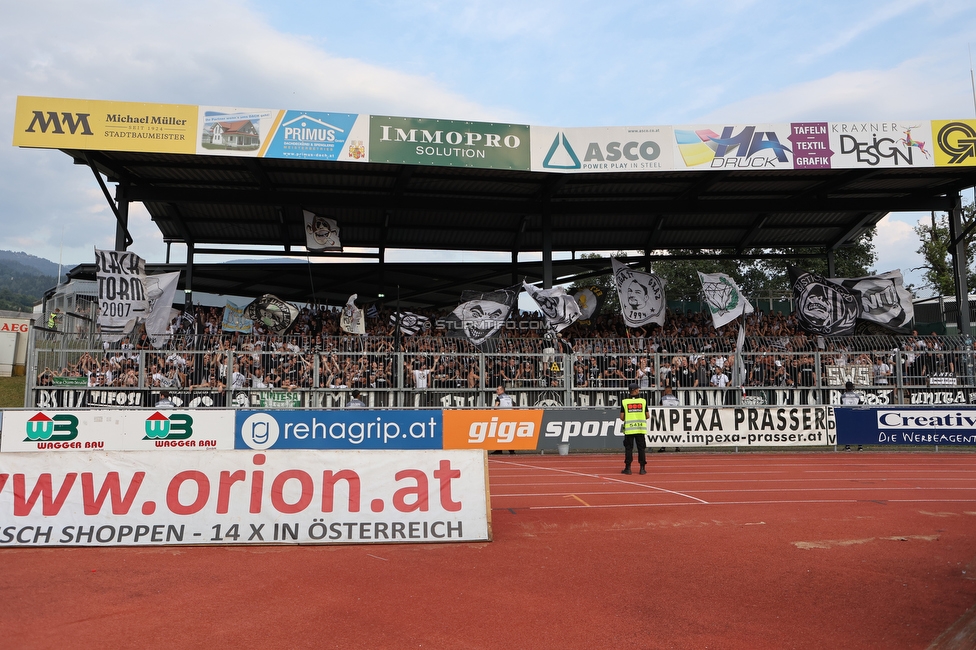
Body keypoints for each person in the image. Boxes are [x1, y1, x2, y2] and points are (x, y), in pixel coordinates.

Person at [619, 382, 648, 475]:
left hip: (629, 430)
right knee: (641, 449)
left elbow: (622, 417)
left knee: (628, 449)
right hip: (640, 429)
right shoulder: (643, 401)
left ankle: (628, 468)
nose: (639, 390)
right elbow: (647, 416)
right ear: (635, 390)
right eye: (638, 389)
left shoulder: (625, 402)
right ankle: (642, 468)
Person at [492, 385, 515, 454]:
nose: (497, 391)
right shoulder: (509, 398)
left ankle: (499, 450)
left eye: (498, 389)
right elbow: (514, 406)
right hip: (510, 417)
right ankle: (511, 450)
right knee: (509, 434)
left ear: (502, 390)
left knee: (500, 434)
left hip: (502, 418)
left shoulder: (499, 398)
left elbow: (495, 407)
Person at [840, 381, 863, 451]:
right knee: (857, 430)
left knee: (847, 430)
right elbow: (859, 405)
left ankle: (847, 446)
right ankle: (860, 446)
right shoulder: (857, 396)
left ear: (846, 388)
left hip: (846, 414)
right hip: (855, 414)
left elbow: (841, 404)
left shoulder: (843, 396)